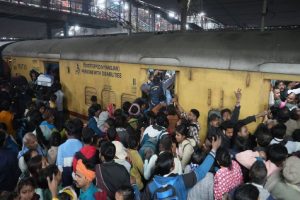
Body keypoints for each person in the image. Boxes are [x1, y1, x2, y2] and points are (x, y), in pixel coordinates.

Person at [141, 135, 221, 200]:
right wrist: (214, 150)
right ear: (172, 168)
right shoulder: (181, 180)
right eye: (173, 162)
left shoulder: (150, 186)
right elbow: (201, 171)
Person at [56, 118, 83, 187]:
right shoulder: (82, 145)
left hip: (66, 178)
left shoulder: (61, 147)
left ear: (66, 132)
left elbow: (59, 167)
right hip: (79, 176)